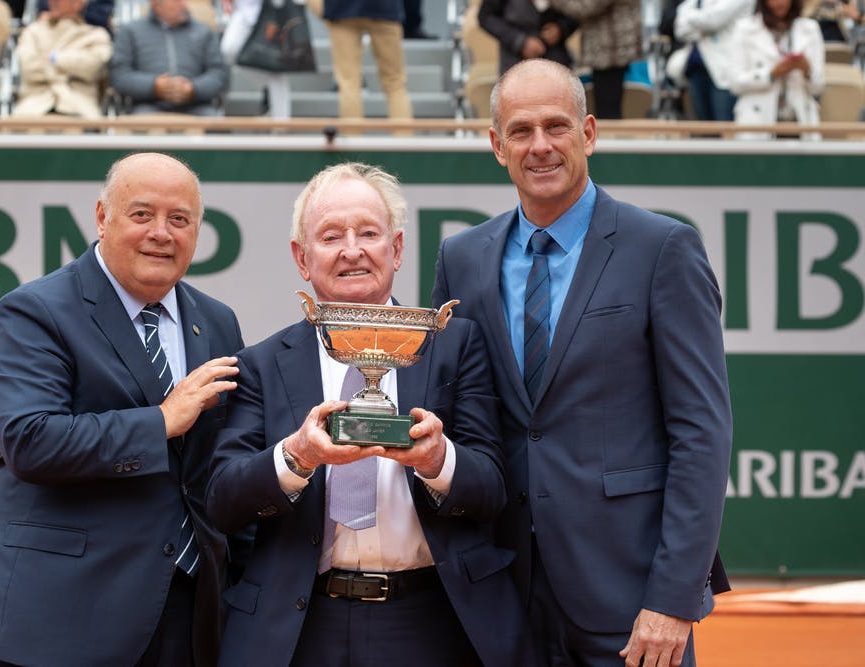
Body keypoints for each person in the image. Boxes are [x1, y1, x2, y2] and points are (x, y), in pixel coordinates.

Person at [432, 59, 733, 667]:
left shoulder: (663, 248)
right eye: (520, 131)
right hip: (501, 593)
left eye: (556, 126)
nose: (539, 146)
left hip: (628, 599)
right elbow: (461, 419)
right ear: (496, 146)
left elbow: (702, 434)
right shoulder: (461, 259)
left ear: (589, 133)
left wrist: (674, 599)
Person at [205, 162, 533, 666]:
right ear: (302, 257)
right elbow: (223, 501)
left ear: (397, 249)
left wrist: (437, 460)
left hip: (436, 619)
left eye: (369, 233)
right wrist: (297, 456)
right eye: (331, 235)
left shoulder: (456, 345)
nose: (352, 250)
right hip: (301, 625)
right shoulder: (262, 364)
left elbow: (493, 488)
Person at [0, 152, 245, 667]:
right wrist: (161, 421)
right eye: (141, 215)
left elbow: (222, 460)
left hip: (186, 612)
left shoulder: (216, 321)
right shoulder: (35, 310)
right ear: (102, 217)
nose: (161, 234)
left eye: (179, 219)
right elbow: (30, 442)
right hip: (60, 613)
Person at [109, 0, 229, 115]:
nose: (184, 4)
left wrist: (193, 88)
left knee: (215, 126)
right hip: (146, 106)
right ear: (156, 4)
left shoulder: (204, 32)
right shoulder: (131, 32)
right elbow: (119, 75)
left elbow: (218, 74)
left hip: (197, 106)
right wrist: (153, 86)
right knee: (143, 126)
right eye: (176, 1)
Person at [733, 0, 825, 139]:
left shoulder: (810, 29)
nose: (780, 2)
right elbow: (735, 83)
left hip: (799, 121)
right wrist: (771, 74)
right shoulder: (745, 29)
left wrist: (806, 70)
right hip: (758, 122)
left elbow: (818, 86)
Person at [12, 0, 112, 119]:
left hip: (80, 109)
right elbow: (28, 68)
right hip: (32, 109)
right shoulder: (33, 32)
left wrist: (54, 58)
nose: (52, 2)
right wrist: (69, 70)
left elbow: (91, 68)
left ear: (77, 3)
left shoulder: (96, 35)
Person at [321, 0, 414, 127]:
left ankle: (351, 143)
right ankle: (404, 142)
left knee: (349, 84)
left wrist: (323, 10)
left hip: (341, 9)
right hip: (385, 9)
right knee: (395, 84)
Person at [548, 0, 642, 118]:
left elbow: (584, 7)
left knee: (608, 113)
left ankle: (609, 135)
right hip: (611, 52)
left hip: (611, 54)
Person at [669, 0, 754, 120]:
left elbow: (712, 20)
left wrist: (690, 18)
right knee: (704, 132)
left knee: (725, 129)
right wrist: (704, 25)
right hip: (697, 70)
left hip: (726, 74)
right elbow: (680, 30)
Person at [220, 0, 294, 120]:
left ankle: (281, 126)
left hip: (272, 13)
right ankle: (268, 86)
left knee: (277, 73)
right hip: (243, 12)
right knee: (229, 50)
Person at [478, 0, 579, 74]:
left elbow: (579, 8)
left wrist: (561, 28)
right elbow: (486, 16)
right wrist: (520, 41)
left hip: (557, 61)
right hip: (516, 63)